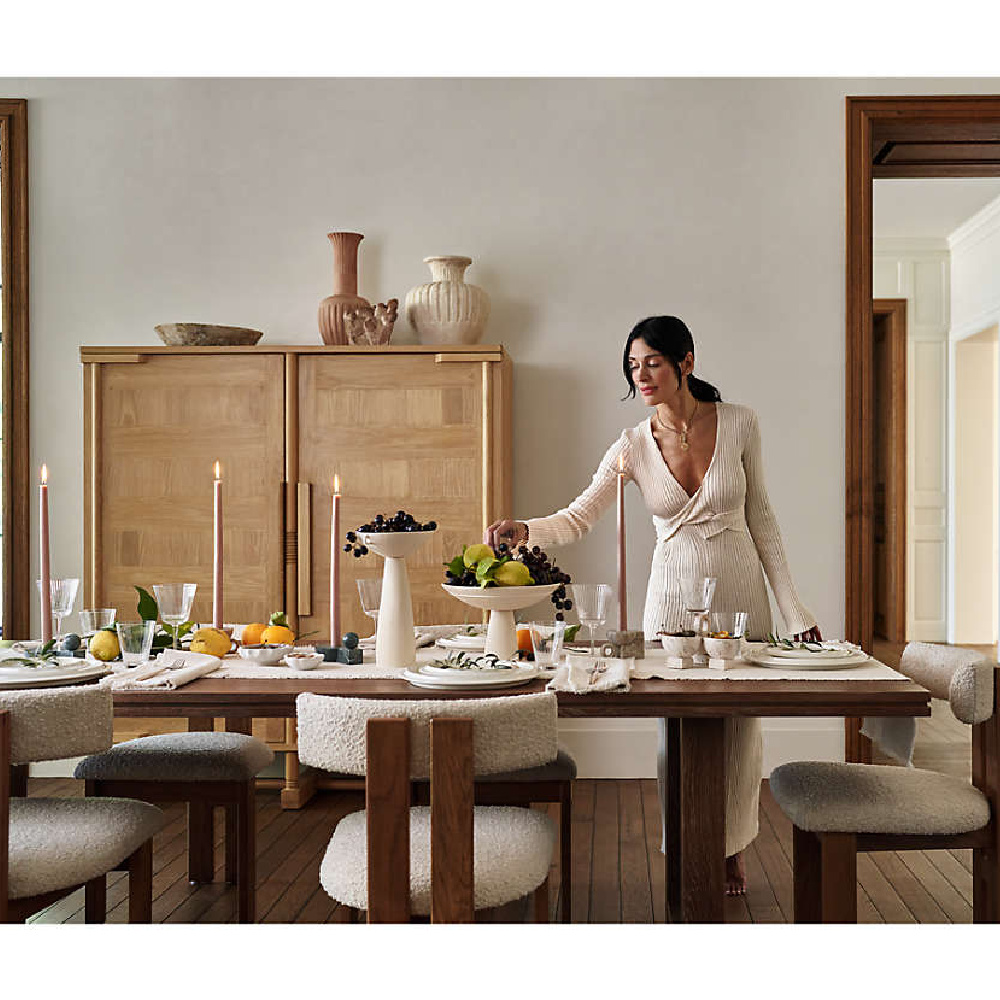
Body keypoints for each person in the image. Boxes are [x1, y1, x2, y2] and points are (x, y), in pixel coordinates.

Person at [485, 315, 822, 896]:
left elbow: (762, 520)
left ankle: (732, 846)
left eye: (653, 363)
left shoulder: (740, 424)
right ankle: (687, 843)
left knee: (741, 731)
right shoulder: (632, 446)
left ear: (685, 362)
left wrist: (796, 613)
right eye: (633, 366)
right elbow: (579, 516)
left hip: (740, 591)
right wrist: (524, 529)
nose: (640, 375)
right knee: (676, 729)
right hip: (670, 597)